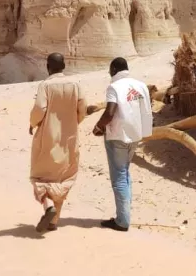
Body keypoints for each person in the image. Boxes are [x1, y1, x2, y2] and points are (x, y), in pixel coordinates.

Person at [92, 57, 153, 232]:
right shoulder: (140, 85)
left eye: (110, 70)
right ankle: (124, 215)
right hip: (135, 136)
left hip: (118, 136)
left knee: (119, 178)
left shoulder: (114, 87)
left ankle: (122, 221)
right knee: (125, 174)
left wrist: (98, 127)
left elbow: (110, 112)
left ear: (114, 69)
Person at [29, 52, 86, 233]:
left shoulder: (45, 85)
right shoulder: (75, 84)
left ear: (48, 67)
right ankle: (54, 221)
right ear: (64, 66)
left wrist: (32, 124)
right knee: (63, 177)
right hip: (69, 138)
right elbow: (82, 108)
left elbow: (39, 108)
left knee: (40, 176)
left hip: (47, 137)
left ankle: (47, 207)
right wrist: (75, 122)